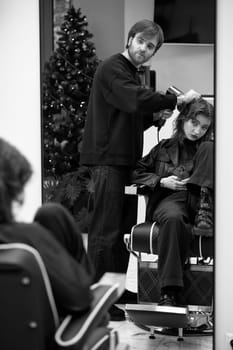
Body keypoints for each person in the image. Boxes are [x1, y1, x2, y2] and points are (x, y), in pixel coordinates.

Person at [80, 19, 200, 320]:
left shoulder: (129, 74)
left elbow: (128, 117)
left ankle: (116, 293)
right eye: (142, 43)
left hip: (124, 164)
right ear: (130, 39)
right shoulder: (113, 68)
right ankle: (98, 301)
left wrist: (153, 117)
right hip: (107, 163)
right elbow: (133, 99)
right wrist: (174, 100)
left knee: (120, 234)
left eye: (151, 47)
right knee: (103, 235)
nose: (145, 50)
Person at [0, 137, 97, 318]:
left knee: (52, 216)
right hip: (40, 335)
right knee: (53, 215)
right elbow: (81, 300)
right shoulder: (27, 237)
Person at [131, 97, 214, 306]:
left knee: (210, 148)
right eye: (194, 123)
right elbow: (134, 172)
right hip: (171, 202)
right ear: (183, 119)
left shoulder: (211, 151)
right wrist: (161, 181)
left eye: (204, 127)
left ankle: (202, 199)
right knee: (175, 218)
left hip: (202, 205)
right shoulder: (163, 148)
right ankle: (170, 292)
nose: (197, 131)